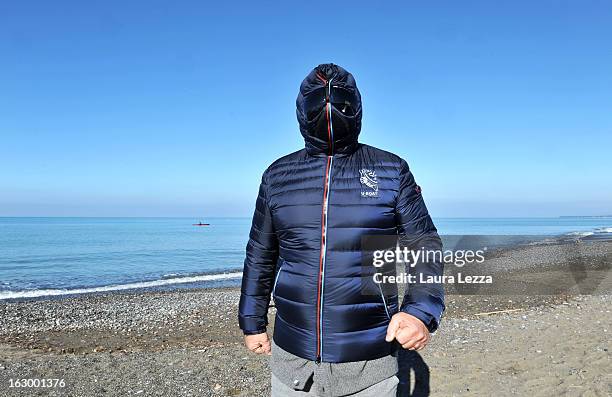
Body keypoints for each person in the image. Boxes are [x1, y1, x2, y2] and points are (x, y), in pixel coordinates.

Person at [238, 63, 444, 396]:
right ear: (302, 112)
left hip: (369, 359)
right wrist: (252, 321)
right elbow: (260, 254)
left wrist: (420, 312)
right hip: (292, 357)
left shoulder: (391, 170)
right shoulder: (277, 175)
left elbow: (425, 246)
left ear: (357, 109)